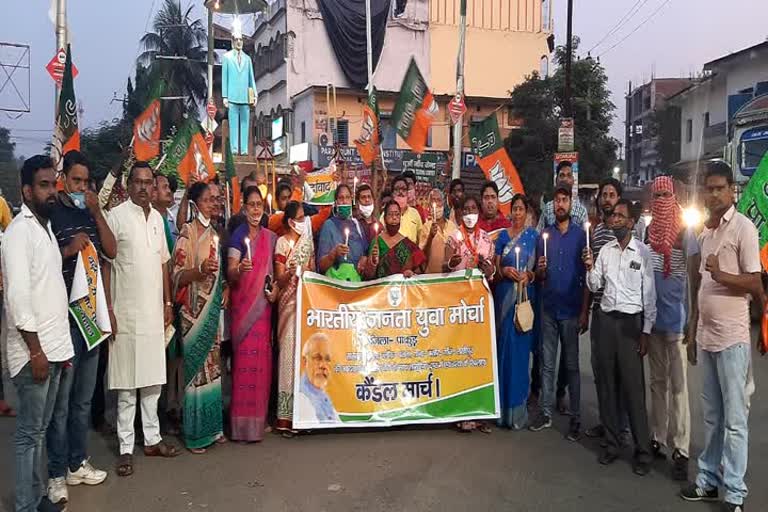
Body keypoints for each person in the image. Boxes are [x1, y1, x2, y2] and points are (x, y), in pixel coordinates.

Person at [680, 162, 762, 512]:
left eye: (718, 188)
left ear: (732, 191)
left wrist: (723, 273)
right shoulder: (706, 234)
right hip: (709, 336)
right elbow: (700, 287)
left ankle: (734, 493)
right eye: (708, 189)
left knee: (735, 420)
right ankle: (708, 481)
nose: (712, 194)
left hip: (732, 338)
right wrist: (694, 329)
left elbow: (755, 283)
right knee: (712, 416)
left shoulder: (744, 229)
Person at [2, 155, 74, 512]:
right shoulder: (18, 232)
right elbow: (17, 298)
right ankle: (25, 506)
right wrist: (36, 351)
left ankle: (36, 497)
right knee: (29, 436)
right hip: (35, 354)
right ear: (26, 191)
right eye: (43, 185)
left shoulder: (44, 229)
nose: (51, 192)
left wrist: (63, 349)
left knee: (41, 432)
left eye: (53, 185)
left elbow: (49, 291)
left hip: (56, 349)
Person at [45, 150, 115, 503]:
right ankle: (56, 473)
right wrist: (68, 249)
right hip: (63, 319)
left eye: (86, 182)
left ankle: (77, 463)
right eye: (76, 181)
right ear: (63, 180)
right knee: (60, 403)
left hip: (91, 318)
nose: (81, 187)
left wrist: (97, 212)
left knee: (83, 401)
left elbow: (110, 253)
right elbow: (41, 265)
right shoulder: (52, 214)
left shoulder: (89, 213)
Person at [104, 161, 180, 478]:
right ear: (128, 183)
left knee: (152, 381)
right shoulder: (116, 216)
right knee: (126, 386)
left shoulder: (158, 219)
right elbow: (106, 264)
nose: (144, 187)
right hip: (125, 313)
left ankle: (152, 439)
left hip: (153, 312)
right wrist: (107, 310)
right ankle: (125, 448)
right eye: (138, 182)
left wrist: (166, 302)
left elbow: (163, 263)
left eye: (149, 182)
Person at [585, 199, 656, 476]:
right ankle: (612, 443)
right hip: (606, 321)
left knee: (633, 389)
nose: (613, 219)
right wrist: (589, 266)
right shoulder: (604, 251)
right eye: (612, 215)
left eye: (619, 216)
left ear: (631, 222)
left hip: (630, 325)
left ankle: (642, 451)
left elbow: (649, 296)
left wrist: (646, 331)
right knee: (607, 384)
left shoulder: (643, 253)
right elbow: (595, 285)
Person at [644, 176, 697, 481]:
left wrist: (693, 320)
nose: (661, 199)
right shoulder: (648, 232)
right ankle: (657, 438)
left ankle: (681, 448)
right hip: (654, 322)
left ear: (673, 195)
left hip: (677, 321)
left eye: (666, 194)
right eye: (657, 195)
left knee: (679, 388)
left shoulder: (685, 234)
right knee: (657, 384)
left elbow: (693, 279)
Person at [170, 182, 226, 453]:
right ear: (194, 204)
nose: (213, 204)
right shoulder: (187, 232)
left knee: (213, 369)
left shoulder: (216, 234)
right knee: (196, 373)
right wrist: (200, 270)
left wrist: (222, 287)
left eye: (216, 199)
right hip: (193, 313)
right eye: (207, 200)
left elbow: (220, 273)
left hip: (213, 312)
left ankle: (213, 428)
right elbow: (178, 275)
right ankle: (195, 433)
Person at [530, 183, 587, 441]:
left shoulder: (579, 236)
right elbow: (540, 276)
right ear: (552, 205)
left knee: (572, 366)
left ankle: (575, 417)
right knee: (547, 364)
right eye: (557, 200)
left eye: (564, 200)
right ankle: (545, 412)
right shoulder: (546, 236)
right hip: (549, 308)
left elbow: (588, 275)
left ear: (571, 203)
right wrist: (540, 269)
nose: (560, 204)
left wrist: (585, 311)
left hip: (571, 308)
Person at [226, 186, 279, 441]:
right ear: (244, 207)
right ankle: (240, 426)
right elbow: (230, 272)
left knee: (261, 365)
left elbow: (274, 276)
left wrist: (274, 292)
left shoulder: (271, 238)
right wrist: (240, 270)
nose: (256, 209)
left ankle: (257, 422)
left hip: (263, 309)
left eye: (259, 205)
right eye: (251, 205)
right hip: (244, 309)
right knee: (244, 366)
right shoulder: (237, 235)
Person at [583, 178, 631, 442]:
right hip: (600, 310)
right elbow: (592, 276)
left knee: (621, 371)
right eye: (604, 195)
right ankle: (606, 421)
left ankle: (622, 426)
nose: (607, 199)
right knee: (601, 369)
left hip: (623, 314)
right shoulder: (597, 233)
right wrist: (585, 310)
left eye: (612, 194)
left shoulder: (627, 231)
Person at [445, 195, 496, 432]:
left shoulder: (487, 239)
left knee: (478, 357)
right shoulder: (453, 237)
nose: (469, 212)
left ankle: (479, 410)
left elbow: (493, 271)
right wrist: (451, 261)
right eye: (466, 209)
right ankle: (458, 410)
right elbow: (446, 263)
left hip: (478, 308)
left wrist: (490, 268)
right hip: (457, 304)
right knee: (458, 356)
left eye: (473, 208)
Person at [494, 194, 538, 430]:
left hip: (523, 299)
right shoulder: (502, 236)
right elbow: (496, 268)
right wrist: (506, 270)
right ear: (510, 212)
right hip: (504, 297)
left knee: (520, 355)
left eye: (522, 209)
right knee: (503, 351)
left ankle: (517, 413)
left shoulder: (533, 237)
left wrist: (528, 275)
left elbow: (540, 272)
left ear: (527, 212)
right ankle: (501, 411)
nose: (518, 214)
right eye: (515, 209)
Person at [274, 201, 315, 435]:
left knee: (304, 357)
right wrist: (289, 272)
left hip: (305, 304)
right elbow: (279, 279)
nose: (303, 222)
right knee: (288, 358)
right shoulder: (281, 243)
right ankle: (285, 417)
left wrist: (306, 273)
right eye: (300, 218)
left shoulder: (308, 243)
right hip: (288, 305)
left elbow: (312, 270)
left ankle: (304, 415)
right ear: (291, 221)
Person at [363, 200, 426, 279]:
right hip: (382, 289)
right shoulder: (377, 242)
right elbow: (368, 276)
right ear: (385, 218)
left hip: (402, 289)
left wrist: (411, 273)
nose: (394, 218)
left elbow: (420, 270)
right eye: (390, 214)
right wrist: (373, 263)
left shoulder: (408, 244)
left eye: (397, 214)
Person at [317, 185, 369, 281]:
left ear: (351, 200)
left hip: (356, 283)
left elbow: (366, 251)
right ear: (336, 202)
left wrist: (365, 258)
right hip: (336, 285)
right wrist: (333, 254)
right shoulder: (328, 225)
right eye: (341, 198)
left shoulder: (357, 224)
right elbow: (321, 266)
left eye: (347, 197)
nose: (345, 201)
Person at [296, 333, 339, 423]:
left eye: (327, 359)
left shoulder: (322, 396)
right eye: (317, 358)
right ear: (305, 361)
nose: (323, 365)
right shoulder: (301, 399)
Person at [537, 161, 588, 230]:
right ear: (556, 180)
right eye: (562, 175)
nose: (565, 179)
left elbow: (586, 238)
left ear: (573, 180)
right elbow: (539, 233)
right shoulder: (548, 209)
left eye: (569, 175)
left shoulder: (581, 211)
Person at [418, 188, 459, 273]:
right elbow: (422, 256)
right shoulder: (425, 227)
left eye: (439, 200)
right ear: (429, 205)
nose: (436, 203)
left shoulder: (452, 226)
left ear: (443, 203)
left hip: (449, 276)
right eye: (433, 201)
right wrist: (430, 236)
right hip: (431, 277)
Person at [387, 175, 423, 244]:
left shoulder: (415, 213)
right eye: (397, 189)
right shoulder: (386, 214)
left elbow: (420, 240)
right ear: (392, 193)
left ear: (407, 192)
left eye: (404, 189)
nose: (401, 192)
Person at [153, 174, 179, 251]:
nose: (168, 191)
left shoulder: (172, 218)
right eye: (165, 187)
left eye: (168, 187)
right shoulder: (148, 219)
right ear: (154, 192)